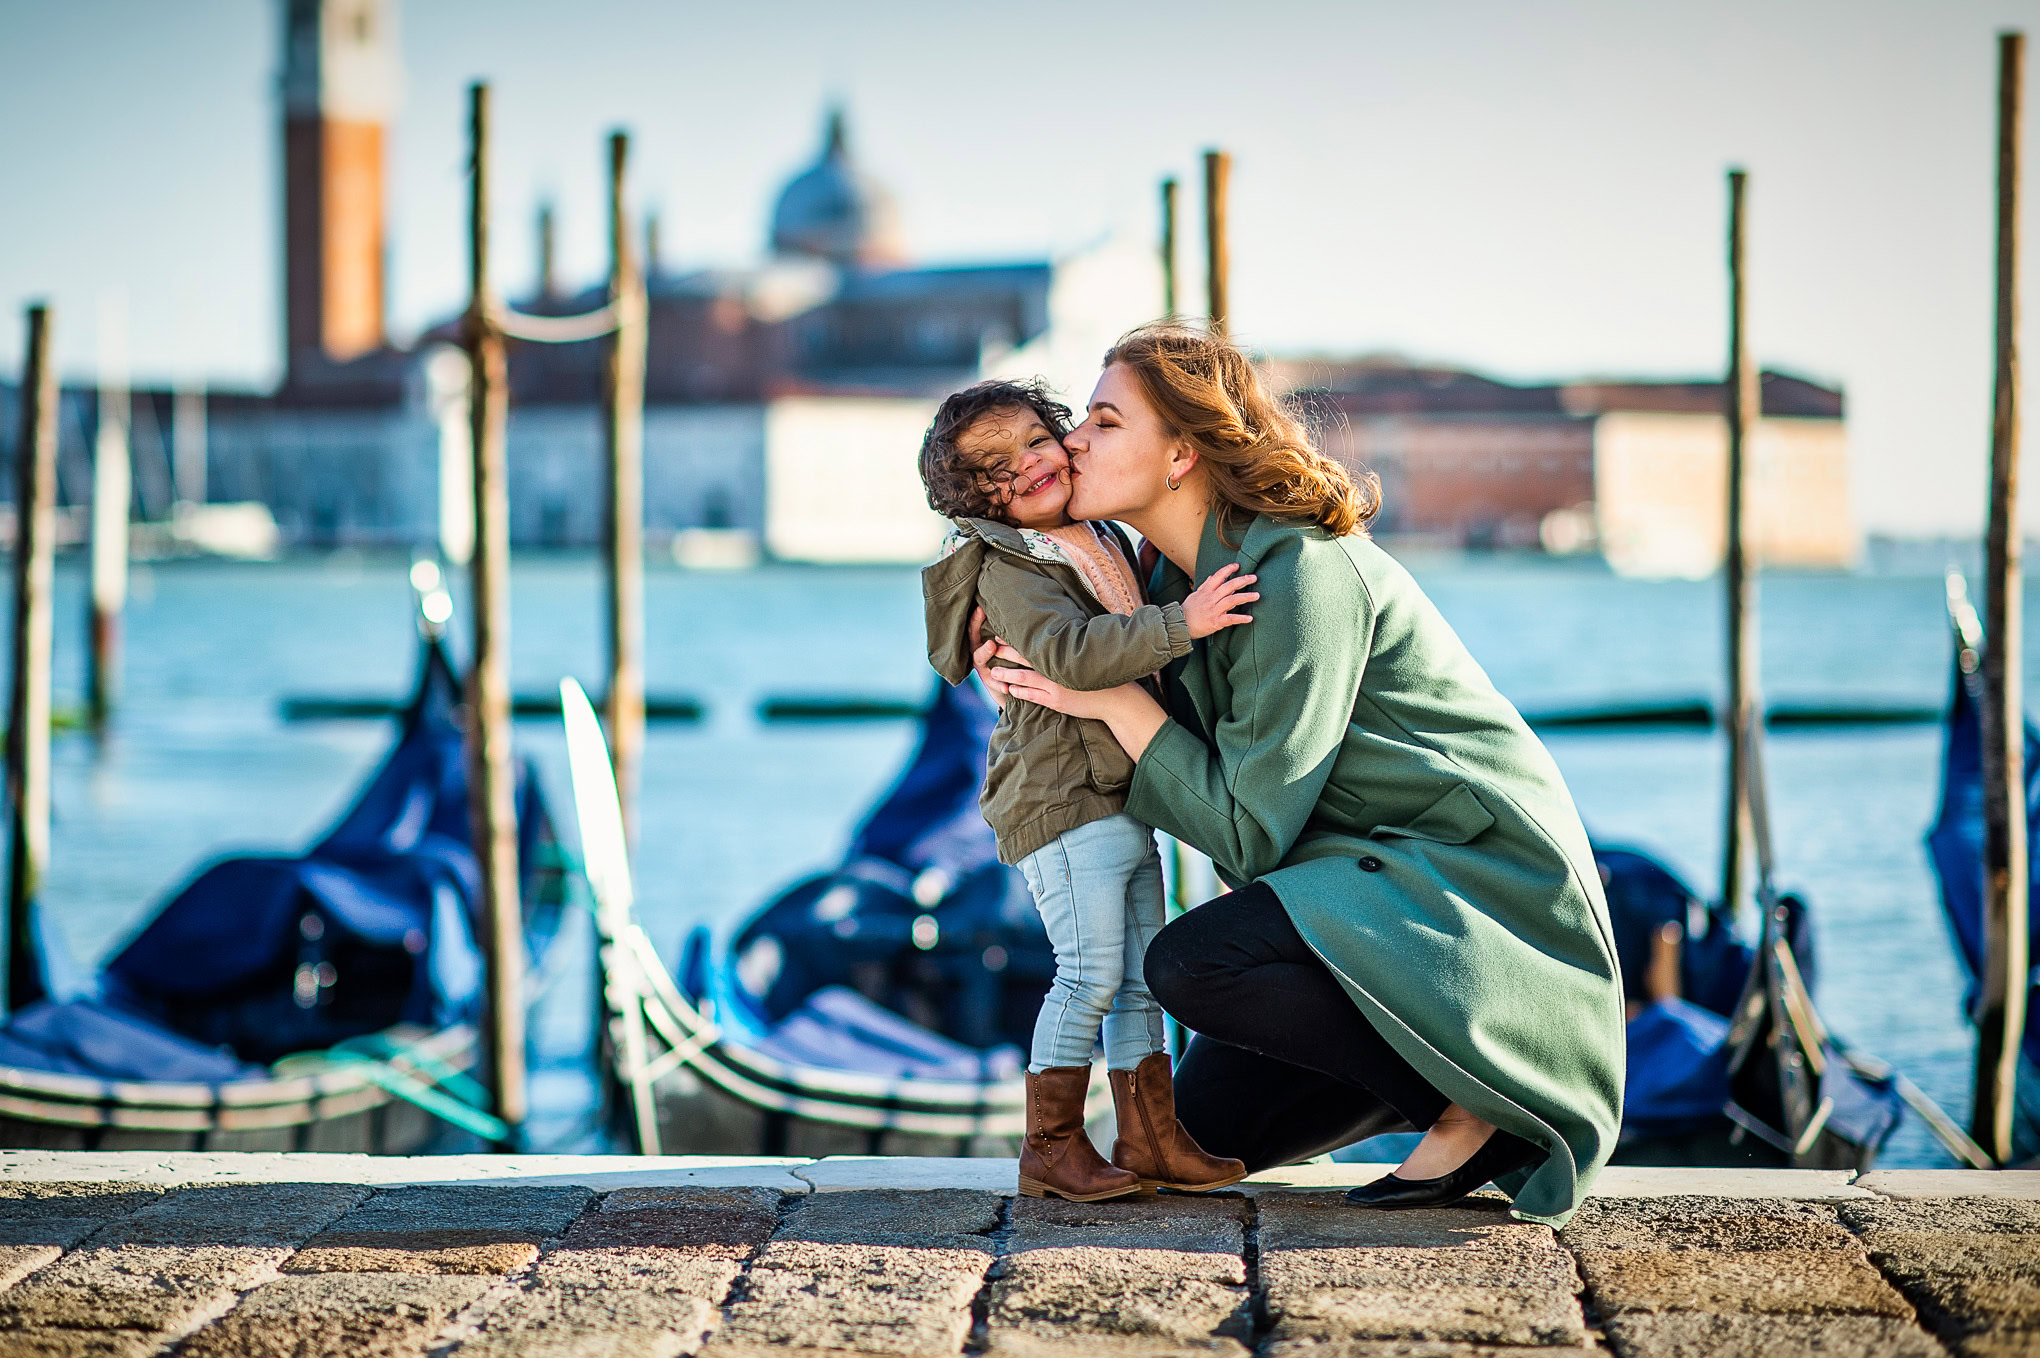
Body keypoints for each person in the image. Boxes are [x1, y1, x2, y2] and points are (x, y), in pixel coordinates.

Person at [977, 326, 1625, 1228]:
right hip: (1352, 904)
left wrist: (1113, 700)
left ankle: (1473, 1107)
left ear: (1181, 455)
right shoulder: (1158, 582)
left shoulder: (1300, 574)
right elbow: (1061, 655)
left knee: (1190, 963)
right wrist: (1028, 671)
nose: (1073, 439)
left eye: (1104, 419)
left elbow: (1246, 831)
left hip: (1472, 893)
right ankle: (1426, 1072)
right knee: (1190, 1137)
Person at [918, 378, 1256, 1202]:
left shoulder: (1090, 534)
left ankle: (1150, 1139)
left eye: (1036, 440)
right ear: (975, 502)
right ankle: (1050, 1148)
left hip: (1115, 792)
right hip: (1059, 800)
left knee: (1140, 971)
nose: (1027, 466)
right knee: (1089, 971)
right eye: (995, 469)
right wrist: (1187, 623)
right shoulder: (1007, 565)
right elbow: (1069, 652)